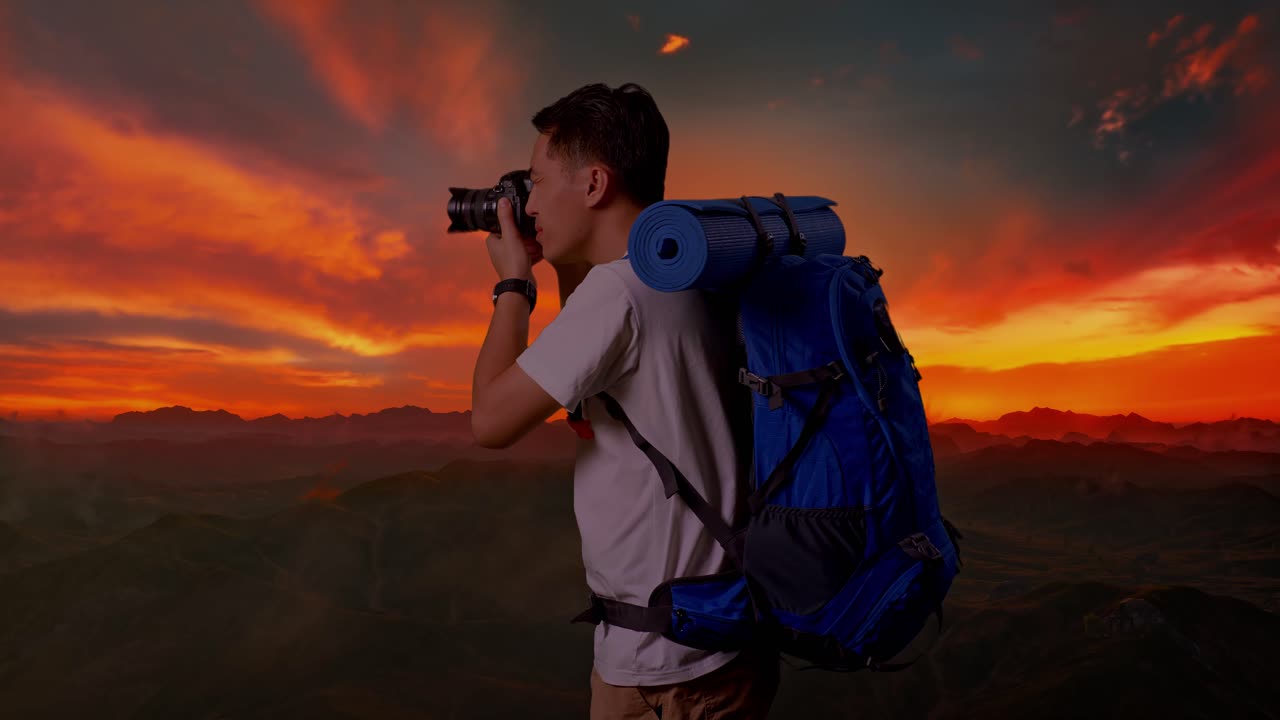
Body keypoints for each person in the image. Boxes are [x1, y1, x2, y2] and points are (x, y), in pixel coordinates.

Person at [470, 82, 780, 719]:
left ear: (593, 185)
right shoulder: (680, 268)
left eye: (536, 180)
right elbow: (598, 371)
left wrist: (511, 283)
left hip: (670, 672)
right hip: (711, 640)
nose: (527, 204)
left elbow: (491, 421)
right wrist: (557, 266)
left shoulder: (619, 297)